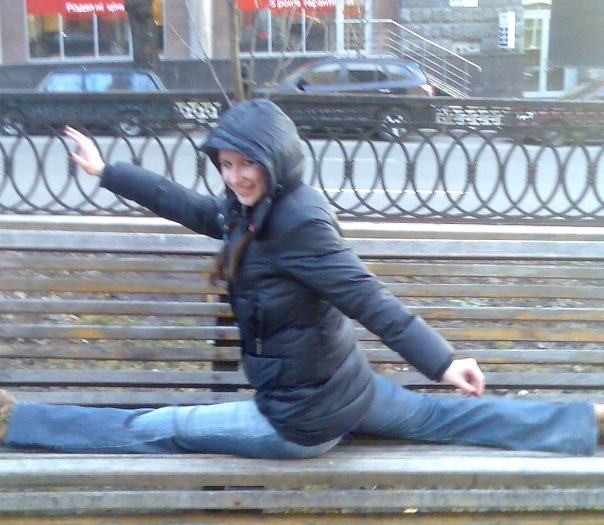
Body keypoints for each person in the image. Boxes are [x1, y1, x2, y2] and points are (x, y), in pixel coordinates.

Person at [0, 99, 602, 457]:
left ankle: (15, 422)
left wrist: (444, 362)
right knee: (446, 420)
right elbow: (188, 205)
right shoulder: (254, 209)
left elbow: (367, 297)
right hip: (347, 392)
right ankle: (586, 423)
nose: (235, 176)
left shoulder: (296, 225)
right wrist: (107, 171)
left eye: (247, 163)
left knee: (156, 428)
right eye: (226, 164)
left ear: (276, 160)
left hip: (297, 422)